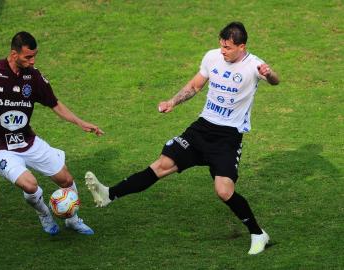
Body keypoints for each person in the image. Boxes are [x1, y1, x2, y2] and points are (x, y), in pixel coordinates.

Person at [85, 22, 279, 254]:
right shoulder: (212, 57)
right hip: (202, 129)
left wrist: (270, 73)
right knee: (161, 165)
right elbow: (195, 85)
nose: (223, 51)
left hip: (228, 137)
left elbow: (275, 80)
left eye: (227, 47)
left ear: (241, 46)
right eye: (221, 45)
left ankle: (258, 234)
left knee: (224, 191)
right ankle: (109, 194)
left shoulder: (254, 65)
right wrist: (172, 102)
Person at [0, 31, 104, 236]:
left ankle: (73, 220)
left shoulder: (33, 76)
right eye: (28, 57)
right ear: (14, 54)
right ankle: (44, 214)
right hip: (1, 148)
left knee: (66, 180)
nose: (33, 61)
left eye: (35, 56)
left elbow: (55, 104)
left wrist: (80, 122)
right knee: (31, 185)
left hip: (28, 141)